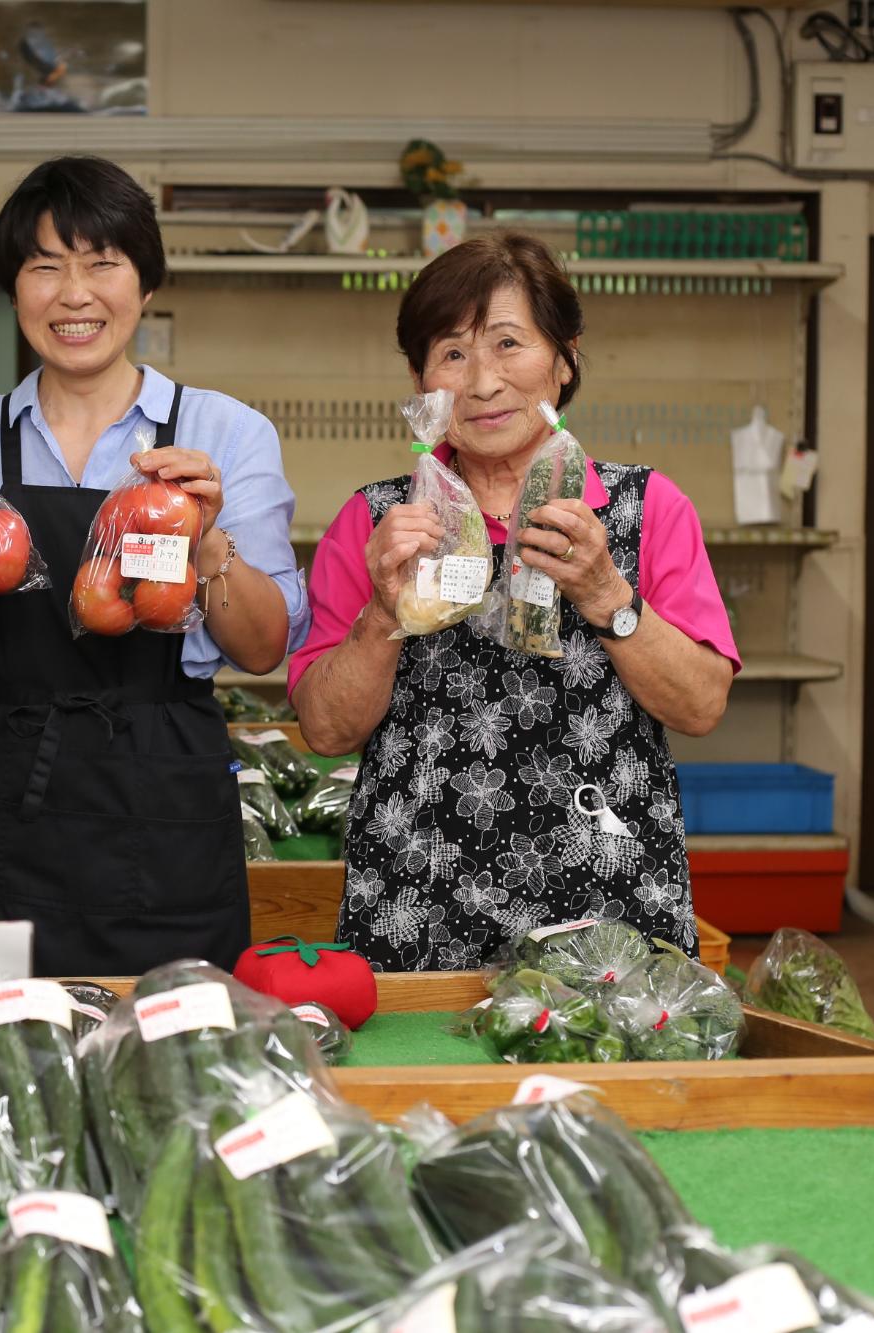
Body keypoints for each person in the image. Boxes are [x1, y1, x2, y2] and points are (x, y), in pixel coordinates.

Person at [0, 156, 308, 976]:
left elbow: (263, 649)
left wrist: (209, 543)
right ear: (14, 290)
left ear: (145, 286)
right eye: (46, 267)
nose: (75, 294)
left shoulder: (224, 433)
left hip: (163, 798)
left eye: (102, 263)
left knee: (172, 1064)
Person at [289, 232, 740, 971]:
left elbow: (701, 707)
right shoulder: (378, 524)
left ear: (564, 359)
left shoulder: (643, 508)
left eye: (508, 344)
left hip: (608, 908)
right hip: (416, 903)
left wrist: (605, 592)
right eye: (453, 353)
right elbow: (325, 730)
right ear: (422, 379)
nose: (483, 382)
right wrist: (381, 614)